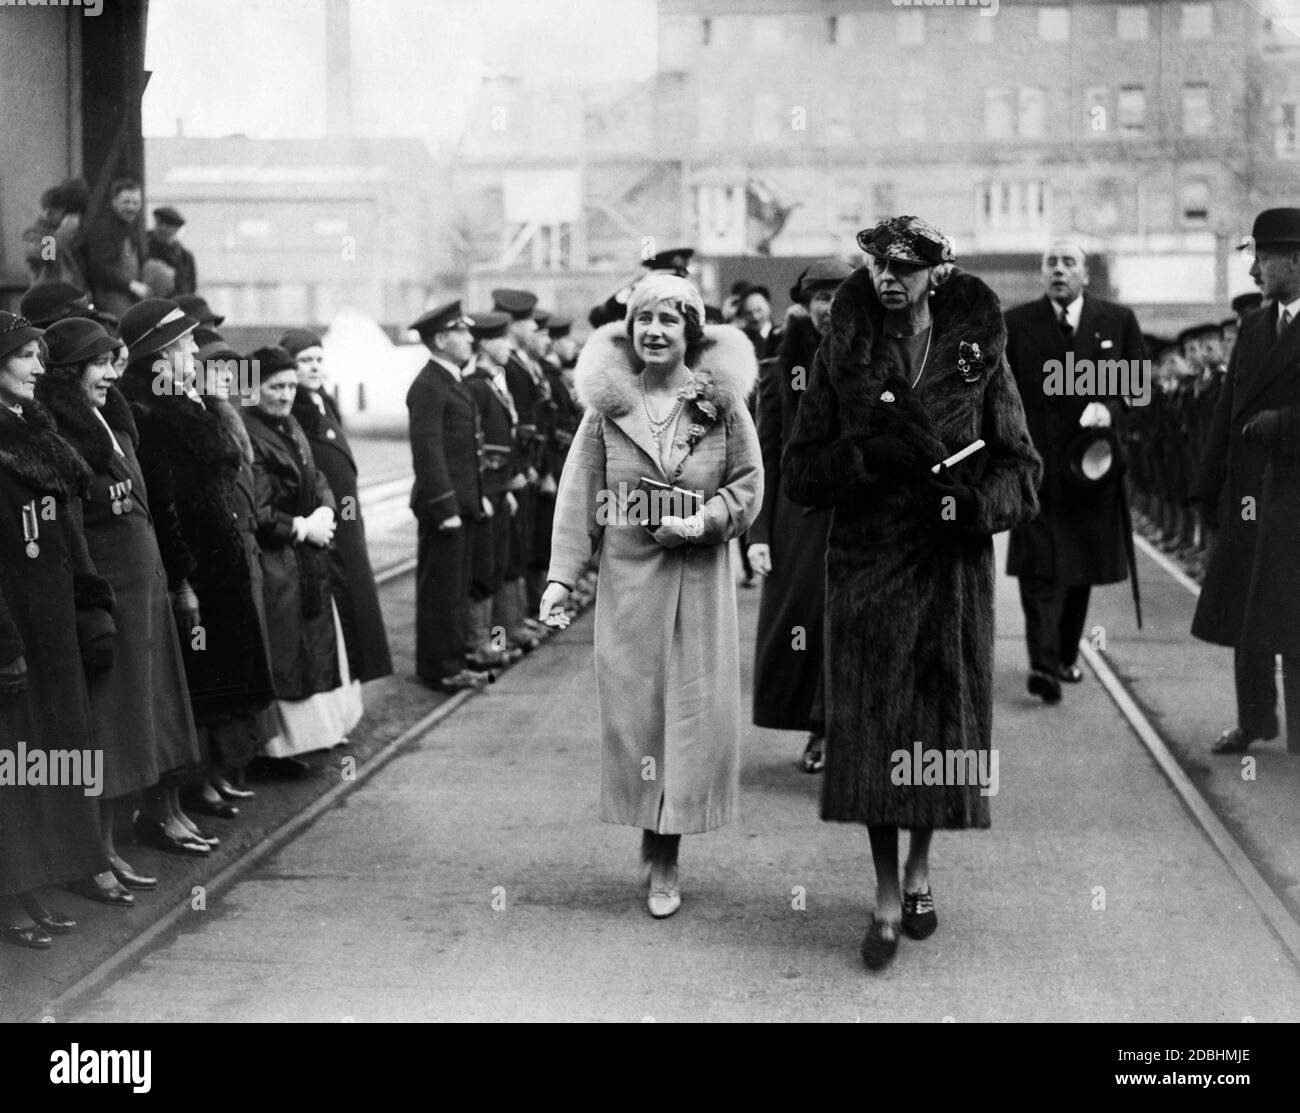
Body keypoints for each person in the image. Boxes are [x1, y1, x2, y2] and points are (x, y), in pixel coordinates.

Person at [783, 216, 1041, 969]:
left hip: (947, 566)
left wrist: (974, 506)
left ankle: (923, 872)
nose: (888, 276)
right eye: (877, 264)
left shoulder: (976, 354)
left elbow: (1020, 467)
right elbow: (802, 472)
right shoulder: (844, 354)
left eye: (906, 265)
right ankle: (886, 895)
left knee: (935, 734)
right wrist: (863, 455)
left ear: (939, 273)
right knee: (872, 731)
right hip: (867, 563)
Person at [540, 273, 763, 920]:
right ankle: (651, 827)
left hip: (698, 587)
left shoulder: (720, 404)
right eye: (644, 320)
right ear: (630, 331)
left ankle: (666, 853)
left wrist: (707, 519)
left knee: (691, 721)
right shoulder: (606, 408)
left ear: (692, 331)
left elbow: (749, 484)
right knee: (639, 720)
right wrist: (561, 578)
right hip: (631, 588)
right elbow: (577, 496)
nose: (656, 331)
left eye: (669, 319)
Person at [37, 317, 205, 899]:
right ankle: (97, 853)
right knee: (107, 730)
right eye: (99, 363)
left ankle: (115, 843)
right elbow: (74, 528)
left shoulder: (111, 422)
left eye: (114, 361)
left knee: (137, 725)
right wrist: (93, 604)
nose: (112, 373)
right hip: (107, 600)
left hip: (142, 594)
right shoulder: (61, 430)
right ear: (70, 371)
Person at [118, 299, 275, 827]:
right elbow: (163, 504)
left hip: (219, 556)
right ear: (160, 356)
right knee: (199, 678)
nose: (193, 351)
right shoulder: (148, 411)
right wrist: (182, 577)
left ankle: (212, 774)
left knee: (223, 672)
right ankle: (187, 789)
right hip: (194, 566)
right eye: (185, 344)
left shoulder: (190, 401)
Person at [0, 311, 115, 947]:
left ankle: (35, 882)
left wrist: (89, 602)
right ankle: (9, 897)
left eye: (43, 357)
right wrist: (6, 644)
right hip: (16, 624)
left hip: (51, 625)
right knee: (13, 764)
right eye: (25, 357)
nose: (39, 369)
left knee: (45, 758)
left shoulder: (34, 431)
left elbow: (66, 535)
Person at [1004, 239, 1144, 703]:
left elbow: (1138, 391)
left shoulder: (1117, 322)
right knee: (1039, 570)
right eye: (1051, 263)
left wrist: (1110, 409)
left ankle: (1064, 654)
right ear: (1042, 273)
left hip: (1091, 470)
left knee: (1079, 569)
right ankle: (1043, 666)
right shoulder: (1018, 324)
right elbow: (1001, 396)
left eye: (1069, 263)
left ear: (1085, 274)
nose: (1059, 270)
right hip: (1037, 469)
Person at [1191, 208, 1300, 756]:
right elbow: (1226, 415)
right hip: (1251, 492)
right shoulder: (1255, 325)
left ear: (1296, 261)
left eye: (1262, 257)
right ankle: (1254, 720)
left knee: (1295, 615)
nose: (1254, 269)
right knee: (1247, 615)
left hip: (1294, 495)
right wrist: (1206, 490)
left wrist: (1286, 423)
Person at [748, 258, 851, 774]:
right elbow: (763, 457)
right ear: (806, 305)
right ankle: (819, 728)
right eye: (822, 298)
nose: (831, 307)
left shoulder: (885, 359)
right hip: (800, 520)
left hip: (862, 512)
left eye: (841, 295)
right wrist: (759, 534)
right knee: (807, 626)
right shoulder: (777, 370)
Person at [242, 347, 361, 758]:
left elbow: (317, 474)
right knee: (287, 650)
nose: (285, 394)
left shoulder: (289, 424)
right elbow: (257, 510)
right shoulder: (249, 433)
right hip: (278, 558)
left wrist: (326, 507)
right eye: (275, 386)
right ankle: (283, 746)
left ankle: (317, 733)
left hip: (303, 558)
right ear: (252, 387)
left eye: (290, 386)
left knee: (311, 643)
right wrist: (300, 527)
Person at [284, 328, 392, 686]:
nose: (314, 368)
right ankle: (354, 672)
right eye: (305, 361)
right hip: (328, 513)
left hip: (345, 511)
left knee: (355, 586)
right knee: (344, 590)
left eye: (318, 360)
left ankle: (360, 670)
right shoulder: (294, 407)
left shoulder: (322, 400)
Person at [406, 303, 492, 692]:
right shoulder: (428, 385)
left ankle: (454, 658)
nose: (471, 339)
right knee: (440, 590)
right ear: (441, 339)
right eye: (462, 332)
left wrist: (477, 497)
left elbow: (465, 449)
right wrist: (444, 506)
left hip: (463, 504)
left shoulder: (450, 380)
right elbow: (428, 452)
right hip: (446, 509)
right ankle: (439, 666)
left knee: (456, 588)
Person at [463, 311, 528, 669]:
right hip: (488, 490)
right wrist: (492, 490)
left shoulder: (493, 381)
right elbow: (481, 446)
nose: (508, 346)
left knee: (503, 560)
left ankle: (500, 636)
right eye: (501, 340)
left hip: (500, 490)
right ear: (485, 343)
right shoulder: (476, 384)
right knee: (483, 568)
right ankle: (480, 641)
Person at [80, 178, 149, 319]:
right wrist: (131, 285)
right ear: (113, 202)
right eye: (126, 202)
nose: (131, 207)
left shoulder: (132, 230)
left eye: (136, 203)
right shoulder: (102, 229)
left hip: (130, 299)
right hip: (110, 301)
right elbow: (100, 267)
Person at [22, 177, 90, 289]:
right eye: (65, 212)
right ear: (49, 212)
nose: (69, 217)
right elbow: (44, 254)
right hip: (47, 298)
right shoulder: (33, 234)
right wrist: (63, 233)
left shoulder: (65, 236)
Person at [147, 207, 197, 296]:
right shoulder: (147, 247)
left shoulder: (185, 257)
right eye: (160, 223)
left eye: (168, 225)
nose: (162, 228)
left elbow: (191, 288)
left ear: (176, 229)